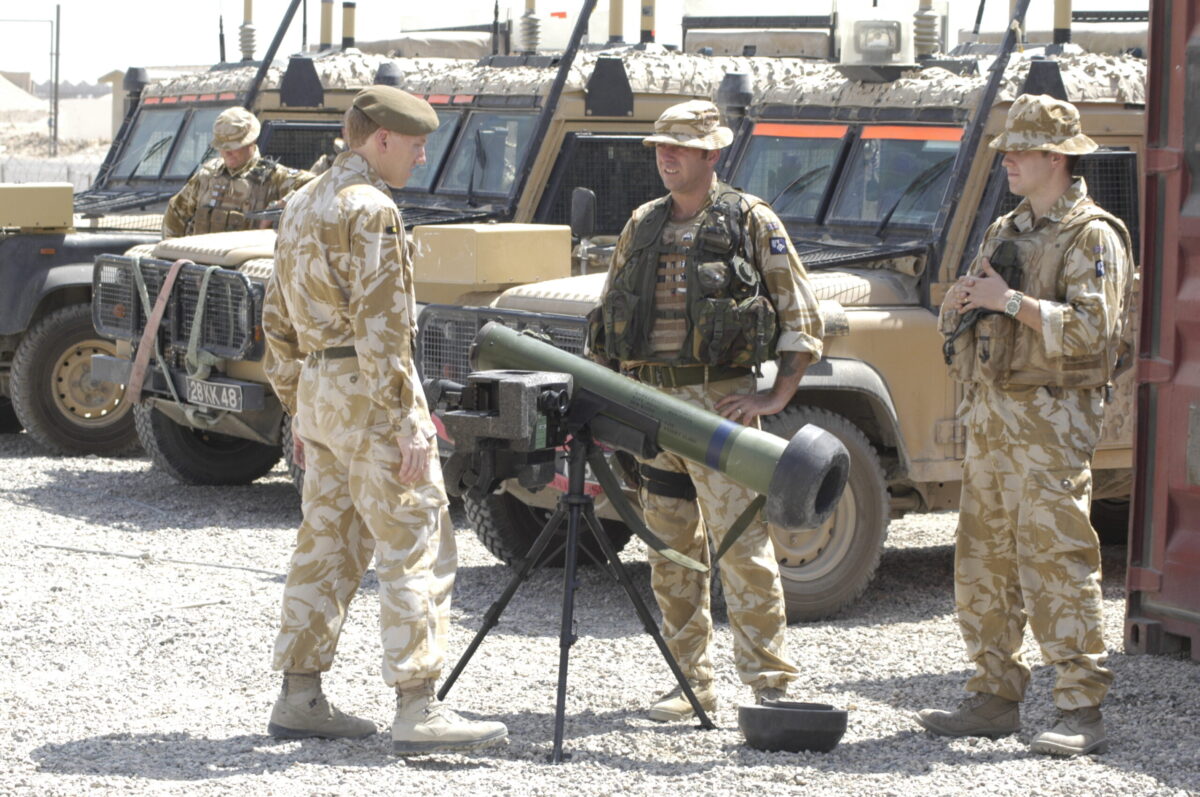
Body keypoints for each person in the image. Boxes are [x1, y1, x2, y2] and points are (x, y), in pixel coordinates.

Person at [260, 85, 507, 755]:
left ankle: (300, 694)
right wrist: (409, 422)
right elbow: (384, 327)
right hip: (370, 391)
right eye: (417, 144)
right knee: (415, 538)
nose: (423, 157)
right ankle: (418, 706)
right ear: (381, 140)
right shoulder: (370, 209)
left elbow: (275, 319)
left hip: (319, 388)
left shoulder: (302, 202)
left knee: (326, 541)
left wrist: (300, 407)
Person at [588, 99, 825, 721]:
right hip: (650, 408)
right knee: (669, 551)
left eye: (679, 148)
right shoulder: (642, 223)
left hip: (719, 408)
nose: (666, 157)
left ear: (710, 153)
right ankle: (688, 681)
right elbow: (610, 316)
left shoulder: (751, 220)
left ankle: (769, 684)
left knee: (741, 547)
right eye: (660, 148)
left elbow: (803, 317)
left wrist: (774, 397)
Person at [918, 94, 1135, 756]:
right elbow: (977, 324)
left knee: (1057, 560)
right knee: (984, 560)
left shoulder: (1092, 235)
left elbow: (1096, 336)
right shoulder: (1005, 230)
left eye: (1019, 149)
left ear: (1056, 158)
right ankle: (992, 694)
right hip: (993, 418)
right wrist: (959, 309)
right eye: (1007, 149)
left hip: (1050, 422)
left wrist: (1009, 301)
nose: (1007, 159)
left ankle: (1080, 707)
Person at [161, 106, 314, 238]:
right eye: (223, 147)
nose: (227, 153)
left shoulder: (275, 178)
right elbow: (176, 211)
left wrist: (282, 204)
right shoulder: (207, 176)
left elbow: (316, 186)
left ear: (251, 142)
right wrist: (171, 251)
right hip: (201, 265)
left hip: (244, 267)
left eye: (233, 146)